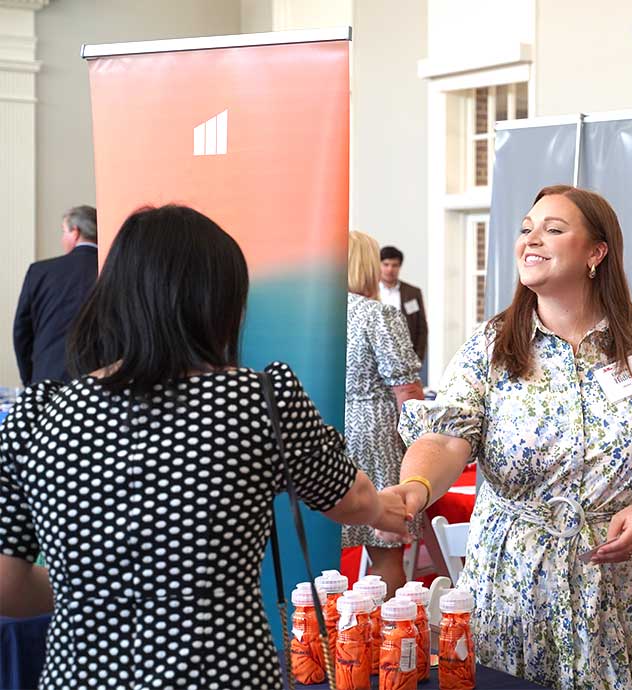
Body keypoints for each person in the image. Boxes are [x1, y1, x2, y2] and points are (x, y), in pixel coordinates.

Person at [0, 205, 418, 688]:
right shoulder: (258, 399)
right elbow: (352, 499)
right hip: (220, 673)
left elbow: (7, 582)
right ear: (218, 303)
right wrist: (389, 510)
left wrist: (95, 585)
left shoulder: (38, 415)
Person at [388, 185, 632, 689]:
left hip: (631, 599)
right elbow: (446, 438)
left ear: (596, 253)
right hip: (516, 600)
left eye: (553, 230)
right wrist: (417, 486)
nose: (531, 239)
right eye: (526, 228)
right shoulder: (492, 347)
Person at [346, 231, 424, 591]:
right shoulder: (378, 315)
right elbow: (406, 387)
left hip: (327, 430)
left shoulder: (310, 314)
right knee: (386, 552)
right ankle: (384, 641)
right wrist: (422, 442)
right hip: (376, 432)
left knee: (322, 551)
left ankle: (325, 640)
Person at [13, 205, 99, 386]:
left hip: (48, 379)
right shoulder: (112, 270)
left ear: (75, 233)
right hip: (101, 381)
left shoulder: (40, 272)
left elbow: (22, 333)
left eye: (63, 231)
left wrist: (31, 381)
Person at [379, 246, 428, 373]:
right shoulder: (371, 291)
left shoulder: (412, 293)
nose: (390, 269)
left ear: (400, 267)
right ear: (379, 265)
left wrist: (418, 359)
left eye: (395, 265)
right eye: (386, 264)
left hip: (406, 360)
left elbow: (421, 328)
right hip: (377, 358)